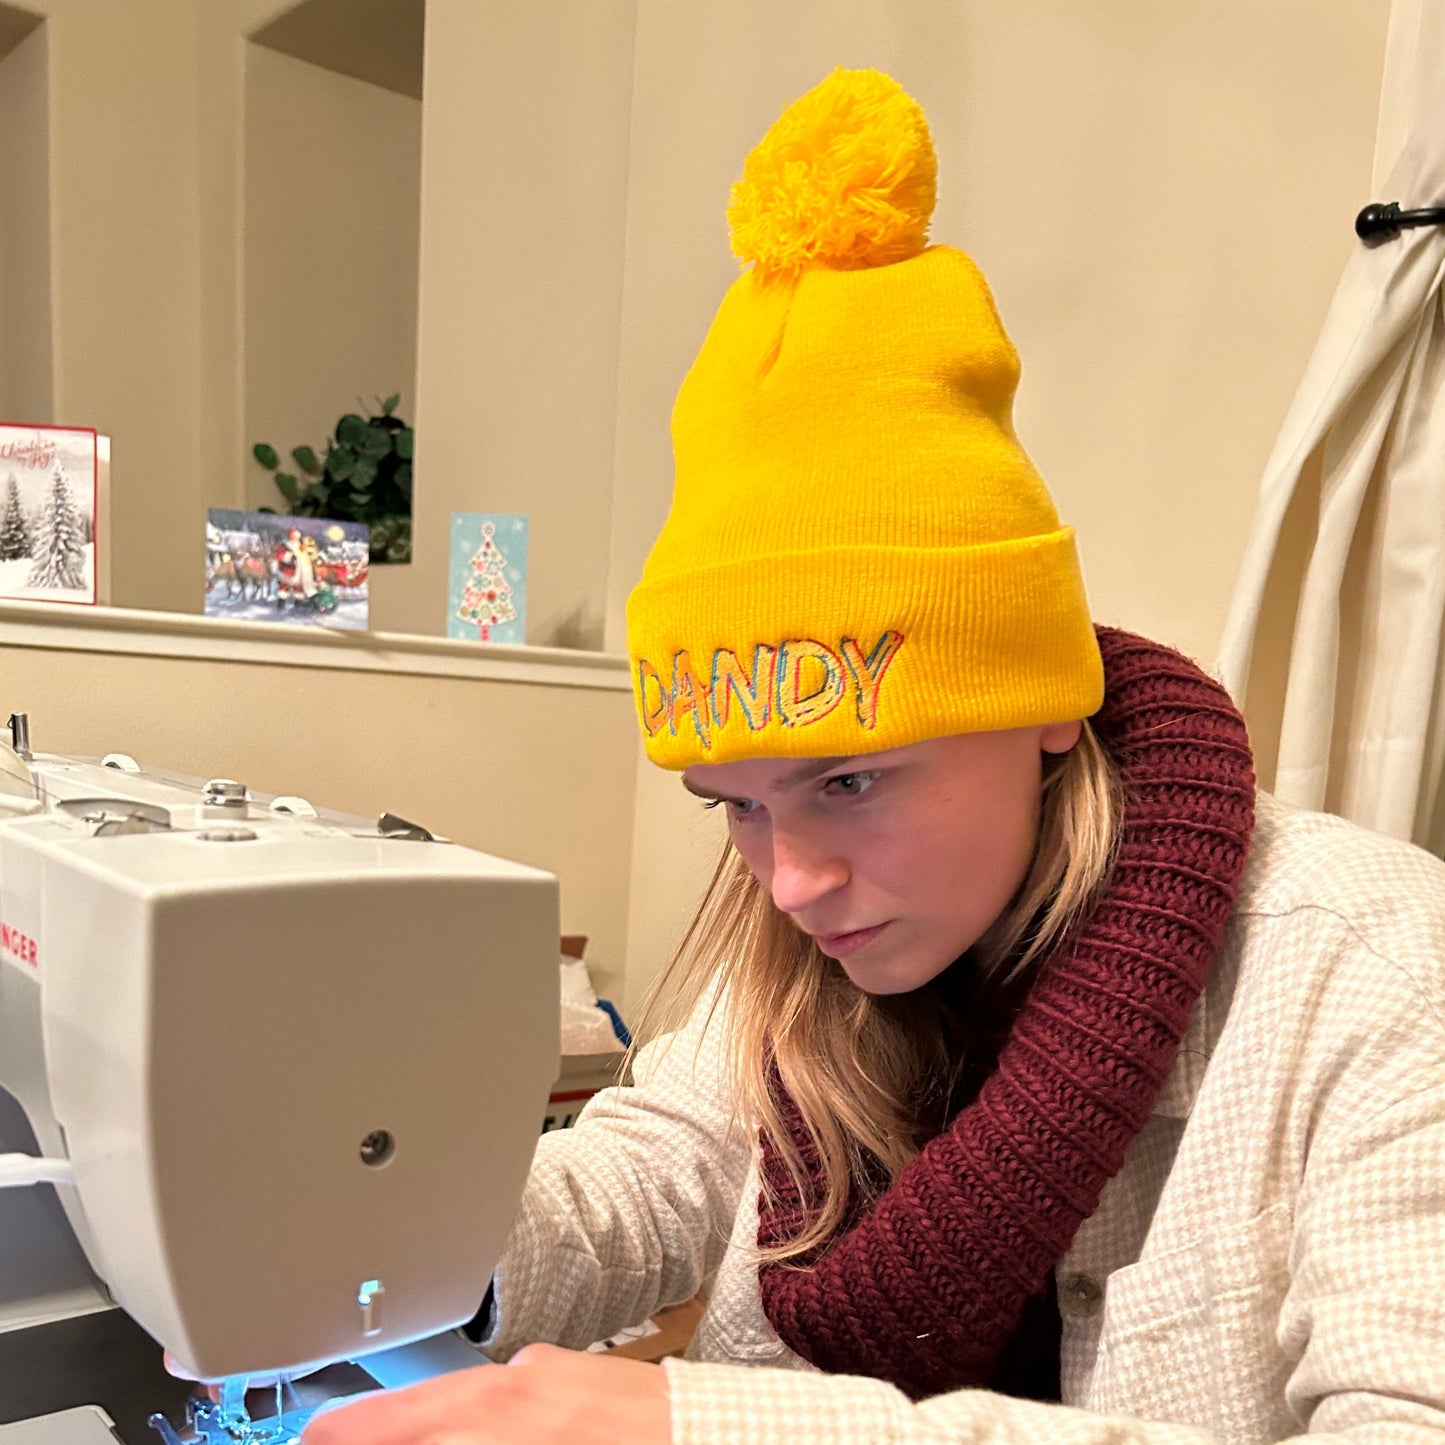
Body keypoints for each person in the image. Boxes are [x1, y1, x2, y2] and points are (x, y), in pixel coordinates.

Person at [303, 70, 1445, 1443]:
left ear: (1045, 701)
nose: (788, 881)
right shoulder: (804, 953)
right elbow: (648, 1173)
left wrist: (719, 1429)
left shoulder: (1380, 973)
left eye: (848, 780)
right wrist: (360, 1231)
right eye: (732, 805)